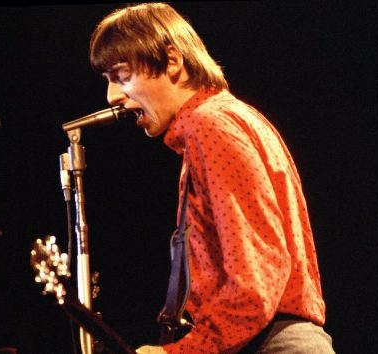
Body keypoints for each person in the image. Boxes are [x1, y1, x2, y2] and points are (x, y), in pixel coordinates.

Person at [88, 3, 335, 353]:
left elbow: (254, 283)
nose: (112, 96)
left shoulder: (210, 125)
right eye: (108, 80)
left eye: (122, 75)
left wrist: (180, 352)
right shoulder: (227, 118)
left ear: (172, 60)